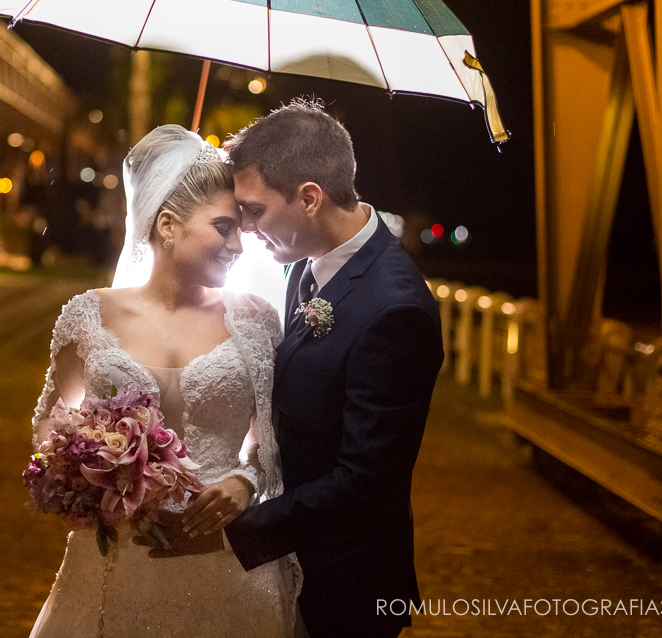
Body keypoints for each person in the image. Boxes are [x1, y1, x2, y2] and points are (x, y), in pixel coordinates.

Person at [148, 100, 444, 638]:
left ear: (309, 197)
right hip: (287, 564)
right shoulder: (303, 261)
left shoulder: (395, 309)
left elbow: (368, 483)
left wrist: (234, 532)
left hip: (346, 583)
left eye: (255, 210)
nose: (246, 225)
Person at [29, 124, 301, 638]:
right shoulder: (88, 317)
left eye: (242, 227)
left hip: (226, 562)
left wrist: (244, 484)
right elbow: (50, 425)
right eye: (224, 227)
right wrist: (84, 474)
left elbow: (276, 442)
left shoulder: (258, 322)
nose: (239, 244)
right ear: (168, 224)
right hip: (116, 559)